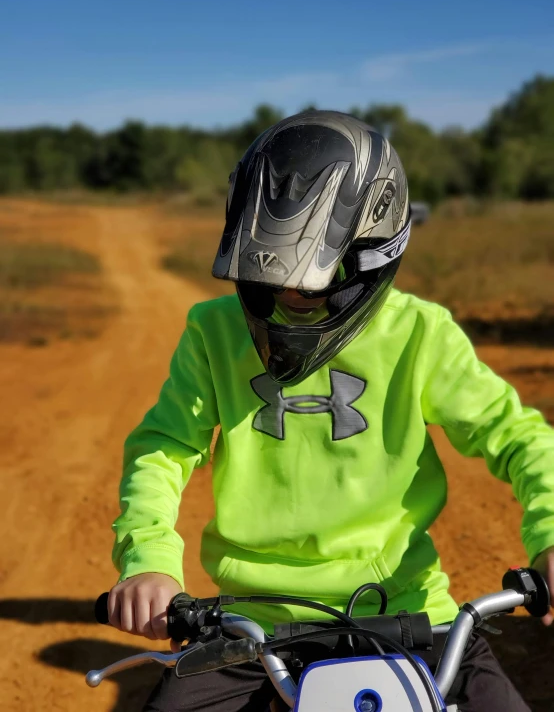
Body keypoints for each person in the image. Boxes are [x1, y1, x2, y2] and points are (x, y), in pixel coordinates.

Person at [107, 111, 554, 712]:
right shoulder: (213, 332)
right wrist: (149, 562)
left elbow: (517, 435)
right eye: (274, 270)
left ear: (370, 252)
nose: (293, 294)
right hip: (248, 624)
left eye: (314, 279)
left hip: (410, 613)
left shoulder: (419, 332)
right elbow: (164, 448)